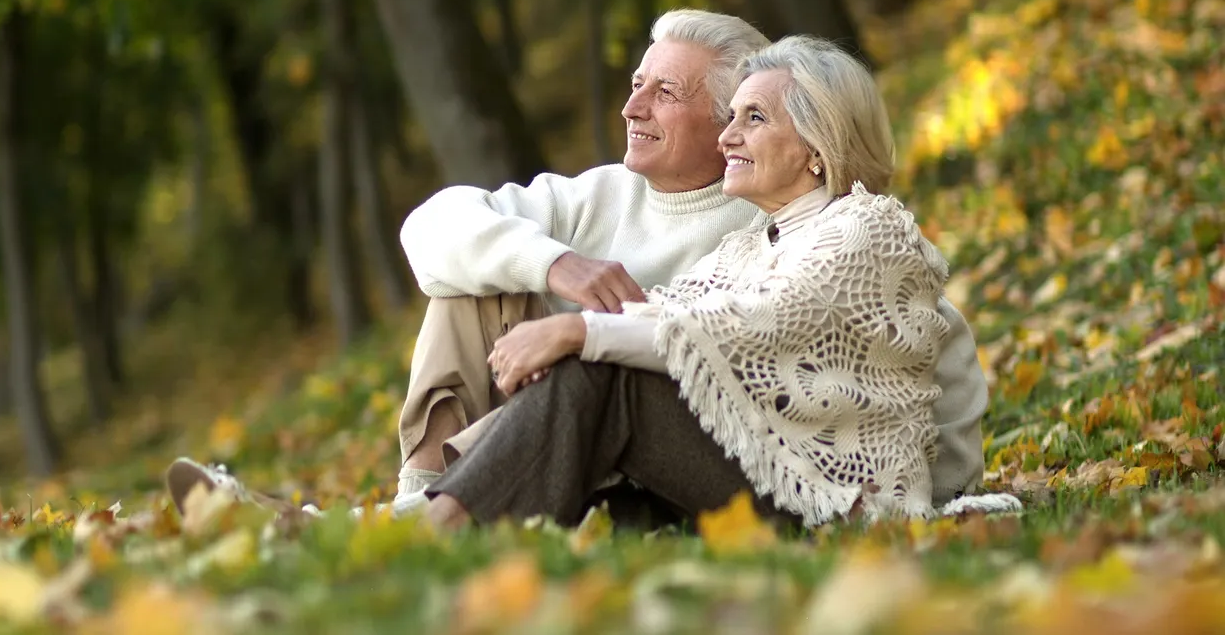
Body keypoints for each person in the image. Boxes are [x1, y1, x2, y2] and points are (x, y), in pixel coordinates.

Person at [421, 35, 1018, 531]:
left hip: (835, 508)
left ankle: (431, 530)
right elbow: (662, 314)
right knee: (599, 478)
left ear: (818, 146)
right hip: (752, 475)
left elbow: (756, 326)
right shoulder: (749, 245)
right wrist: (579, 334)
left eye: (753, 119)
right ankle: (429, 516)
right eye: (731, 117)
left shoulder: (868, 226)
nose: (728, 137)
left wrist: (579, 332)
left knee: (604, 374)